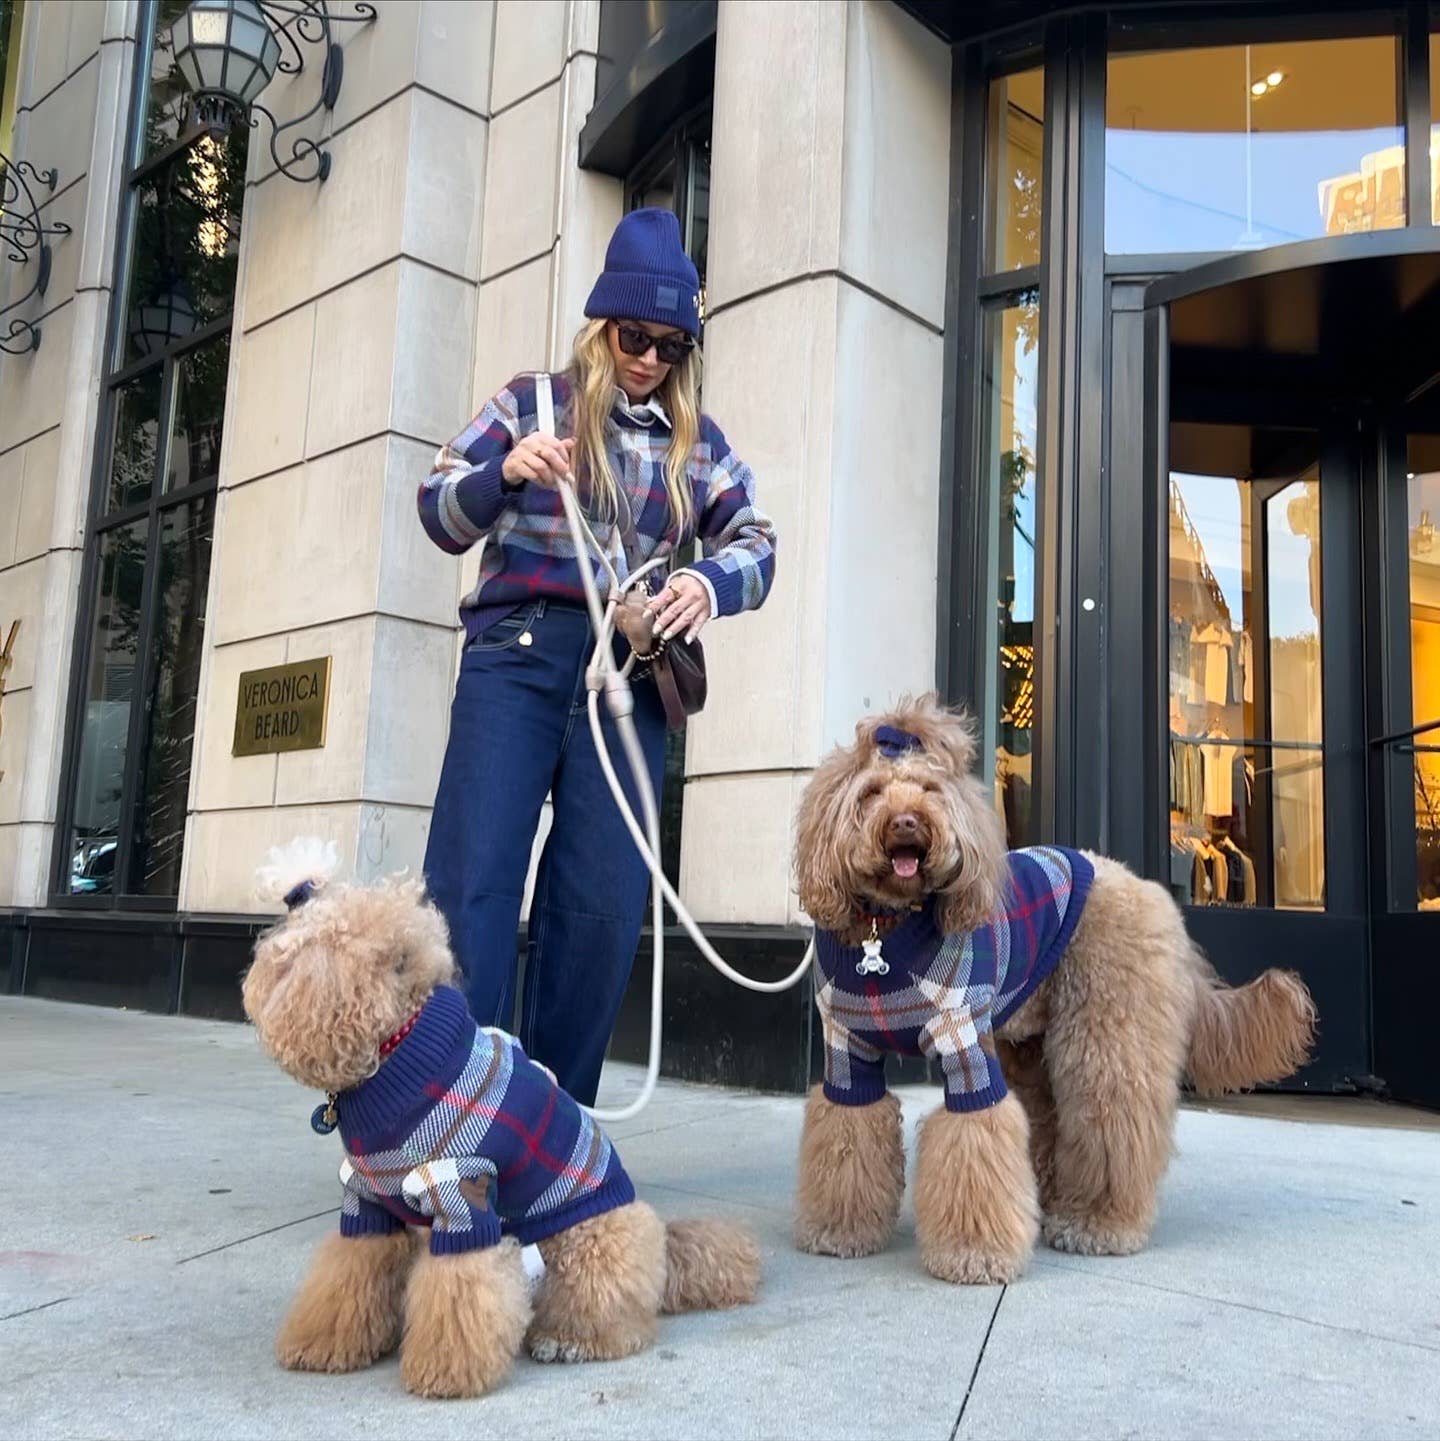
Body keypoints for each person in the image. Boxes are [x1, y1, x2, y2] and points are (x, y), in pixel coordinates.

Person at [416, 208, 777, 1105]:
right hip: (519, 653)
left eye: (671, 344)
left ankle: (554, 1122)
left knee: (602, 903)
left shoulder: (699, 445)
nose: (650, 357)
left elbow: (758, 541)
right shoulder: (530, 404)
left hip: (628, 672)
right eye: (633, 336)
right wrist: (503, 473)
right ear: (602, 324)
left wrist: (707, 584)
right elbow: (436, 509)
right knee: (474, 879)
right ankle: (451, 1109)